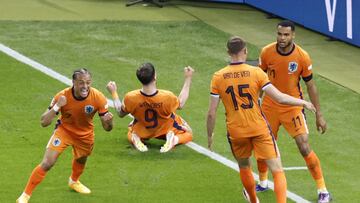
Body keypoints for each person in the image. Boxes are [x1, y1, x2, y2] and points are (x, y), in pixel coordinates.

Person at [207, 36, 317, 203]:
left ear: (228, 52)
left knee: (244, 166)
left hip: (236, 130)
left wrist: (210, 134)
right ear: (245, 51)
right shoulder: (256, 72)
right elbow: (280, 98)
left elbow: (211, 113)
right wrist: (303, 102)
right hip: (259, 128)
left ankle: (253, 200)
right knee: (278, 170)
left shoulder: (218, 77)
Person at [256, 21, 331, 203]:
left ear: (293, 35)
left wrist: (319, 115)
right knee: (264, 145)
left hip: (292, 106)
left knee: (304, 145)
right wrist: (255, 103)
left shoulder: (302, 57)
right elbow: (258, 79)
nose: (282, 38)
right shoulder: (267, 52)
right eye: (279, 34)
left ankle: (323, 190)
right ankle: (263, 181)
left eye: (286, 35)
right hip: (269, 106)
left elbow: (310, 85)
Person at [16, 68, 113, 203]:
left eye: (88, 82)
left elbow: (108, 128)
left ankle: (74, 181)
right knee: (47, 163)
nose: (85, 86)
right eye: (81, 83)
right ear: (73, 82)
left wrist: (109, 122)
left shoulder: (98, 97)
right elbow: (44, 122)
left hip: (85, 135)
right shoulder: (62, 96)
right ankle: (25, 195)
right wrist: (57, 107)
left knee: (81, 159)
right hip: (64, 131)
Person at [106, 63, 193, 153]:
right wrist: (188, 78)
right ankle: (174, 140)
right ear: (154, 76)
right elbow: (181, 103)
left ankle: (135, 138)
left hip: (143, 129)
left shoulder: (130, 97)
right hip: (165, 128)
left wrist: (114, 92)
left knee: (130, 131)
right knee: (188, 133)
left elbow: (120, 113)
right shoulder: (167, 96)